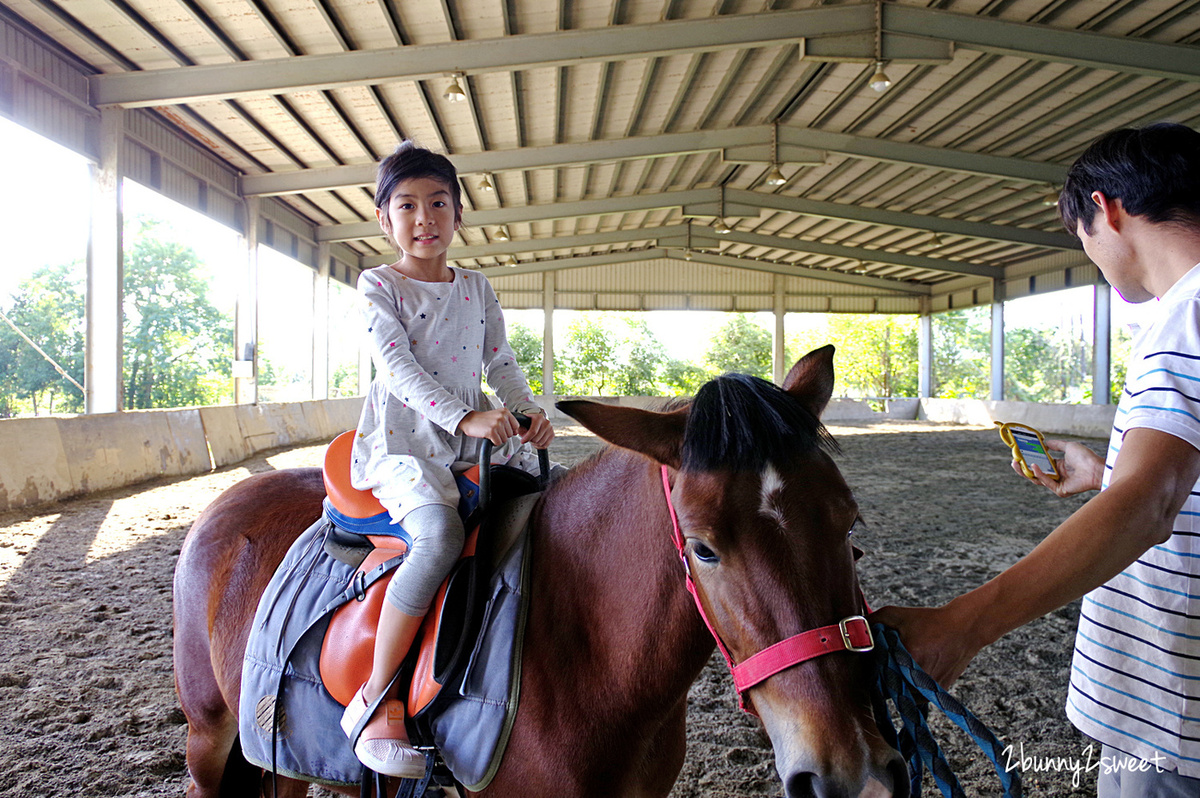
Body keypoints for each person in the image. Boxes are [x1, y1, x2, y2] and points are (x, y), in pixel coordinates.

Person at [873, 122, 1200, 797]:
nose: (1090, 254)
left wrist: (960, 627)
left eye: (1080, 237)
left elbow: (1150, 506)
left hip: (1174, 714)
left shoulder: (1185, 320)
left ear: (1106, 210)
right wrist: (1107, 476)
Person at [339, 141, 555, 777]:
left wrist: (525, 411)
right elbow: (398, 370)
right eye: (407, 205)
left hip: (471, 431)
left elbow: (500, 362)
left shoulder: (477, 287)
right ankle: (375, 700)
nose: (424, 218)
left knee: (557, 502)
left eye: (438, 203)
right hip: (404, 441)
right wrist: (465, 415)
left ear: (459, 215)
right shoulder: (378, 285)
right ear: (385, 220)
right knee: (437, 536)